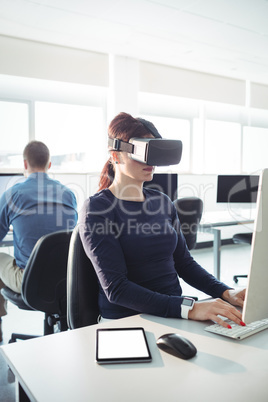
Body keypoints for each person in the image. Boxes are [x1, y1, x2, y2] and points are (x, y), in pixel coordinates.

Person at [79, 112, 246, 328]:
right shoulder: (97, 209)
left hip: (175, 314)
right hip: (128, 321)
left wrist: (226, 292)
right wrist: (190, 308)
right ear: (116, 156)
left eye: (154, 151)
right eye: (142, 151)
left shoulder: (162, 202)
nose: (151, 161)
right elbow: (117, 289)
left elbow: (184, 263)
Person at [0, 141, 78, 342]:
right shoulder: (69, 195)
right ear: (49, 165)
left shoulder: (13, 194)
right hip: (67, 279)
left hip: (30, 282)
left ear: (25, 164)